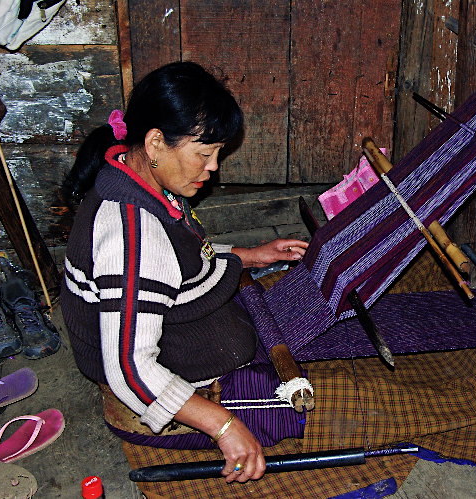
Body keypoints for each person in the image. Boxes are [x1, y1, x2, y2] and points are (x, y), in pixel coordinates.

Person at [59, 61, 308, 484]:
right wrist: (223, 426)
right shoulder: (132, 235)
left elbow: (182, 252)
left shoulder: (136, 177)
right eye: (204, 153)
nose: (213, 168)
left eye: (217, 154)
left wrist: (248, 256)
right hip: (143, 375)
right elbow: (130, 369)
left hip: (168, 329)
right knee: (299, 417)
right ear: (156, 143)